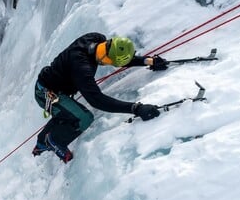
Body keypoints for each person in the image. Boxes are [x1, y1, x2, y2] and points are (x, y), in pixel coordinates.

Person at [32, 32, 168, 163]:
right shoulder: (82, 67)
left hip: (53, 85)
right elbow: (97, 100)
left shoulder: (96, 39)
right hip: (46, 93)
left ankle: (41, 142)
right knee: (84, 118)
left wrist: (149, 61)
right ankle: (55, 141)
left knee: (68, 113)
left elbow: (117, 56)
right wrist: (136, 108)